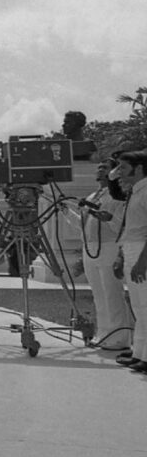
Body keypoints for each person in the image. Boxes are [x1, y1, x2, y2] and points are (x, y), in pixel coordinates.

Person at [81, 159, 131, 350]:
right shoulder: (93, 196)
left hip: (110, 246)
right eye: (99, 167)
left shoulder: (118, 196)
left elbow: (123, 224)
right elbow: (83, 224)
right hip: (90, 247)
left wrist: (109, 219)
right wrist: (67, 212)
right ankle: (103, 334)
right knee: (98, 294)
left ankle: (119, 337)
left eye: (105, 168)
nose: (100, 170)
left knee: (112, 293)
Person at [115, 150, 147, 372]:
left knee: (146, 306)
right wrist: (122, 255)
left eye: (124, 168)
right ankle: (140, 354)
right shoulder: (135, 192)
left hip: (142, 252)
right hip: (131, 249)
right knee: (138, 307)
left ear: (138, 169)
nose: (119, 173)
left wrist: (142, 262)